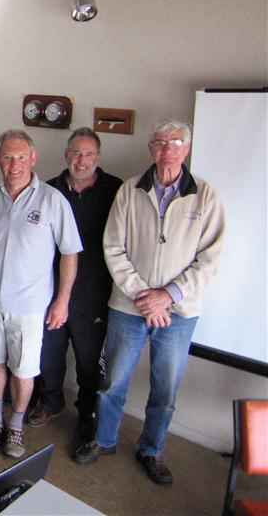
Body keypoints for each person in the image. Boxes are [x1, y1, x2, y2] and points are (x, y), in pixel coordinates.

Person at [74, 121, 225, 486]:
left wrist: (167, 297)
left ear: (186, 149)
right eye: (160, 142)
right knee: (113, 381)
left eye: (175, 142)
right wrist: (144, 295)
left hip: (178, 312)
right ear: (150, 148)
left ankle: (151, 449)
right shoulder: (130, 191)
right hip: (129, 306)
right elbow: (113, 246)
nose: (167, 149)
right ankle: (104, 439)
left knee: (165, 388)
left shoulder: (205, 197)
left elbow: (210, 259)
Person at [0, 129, 82, 458]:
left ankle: (15, 426)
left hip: (31, 306)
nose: (14, 164)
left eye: (21, 157)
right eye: (7, 157)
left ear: (33, 160)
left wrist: (62, 301)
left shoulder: (52, 200)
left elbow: (70, 254)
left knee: (23, 371)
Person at [27, 128, 123, 441]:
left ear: (99, 157)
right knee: (49, 353)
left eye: (88, 154)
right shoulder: (49, 190)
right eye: (76, 154)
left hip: (93, 294)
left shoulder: (116, 191)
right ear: (67, 155)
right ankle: (50, 400)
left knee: (88, 359)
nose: (81, 161)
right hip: (50, 290)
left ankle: (86, 412)